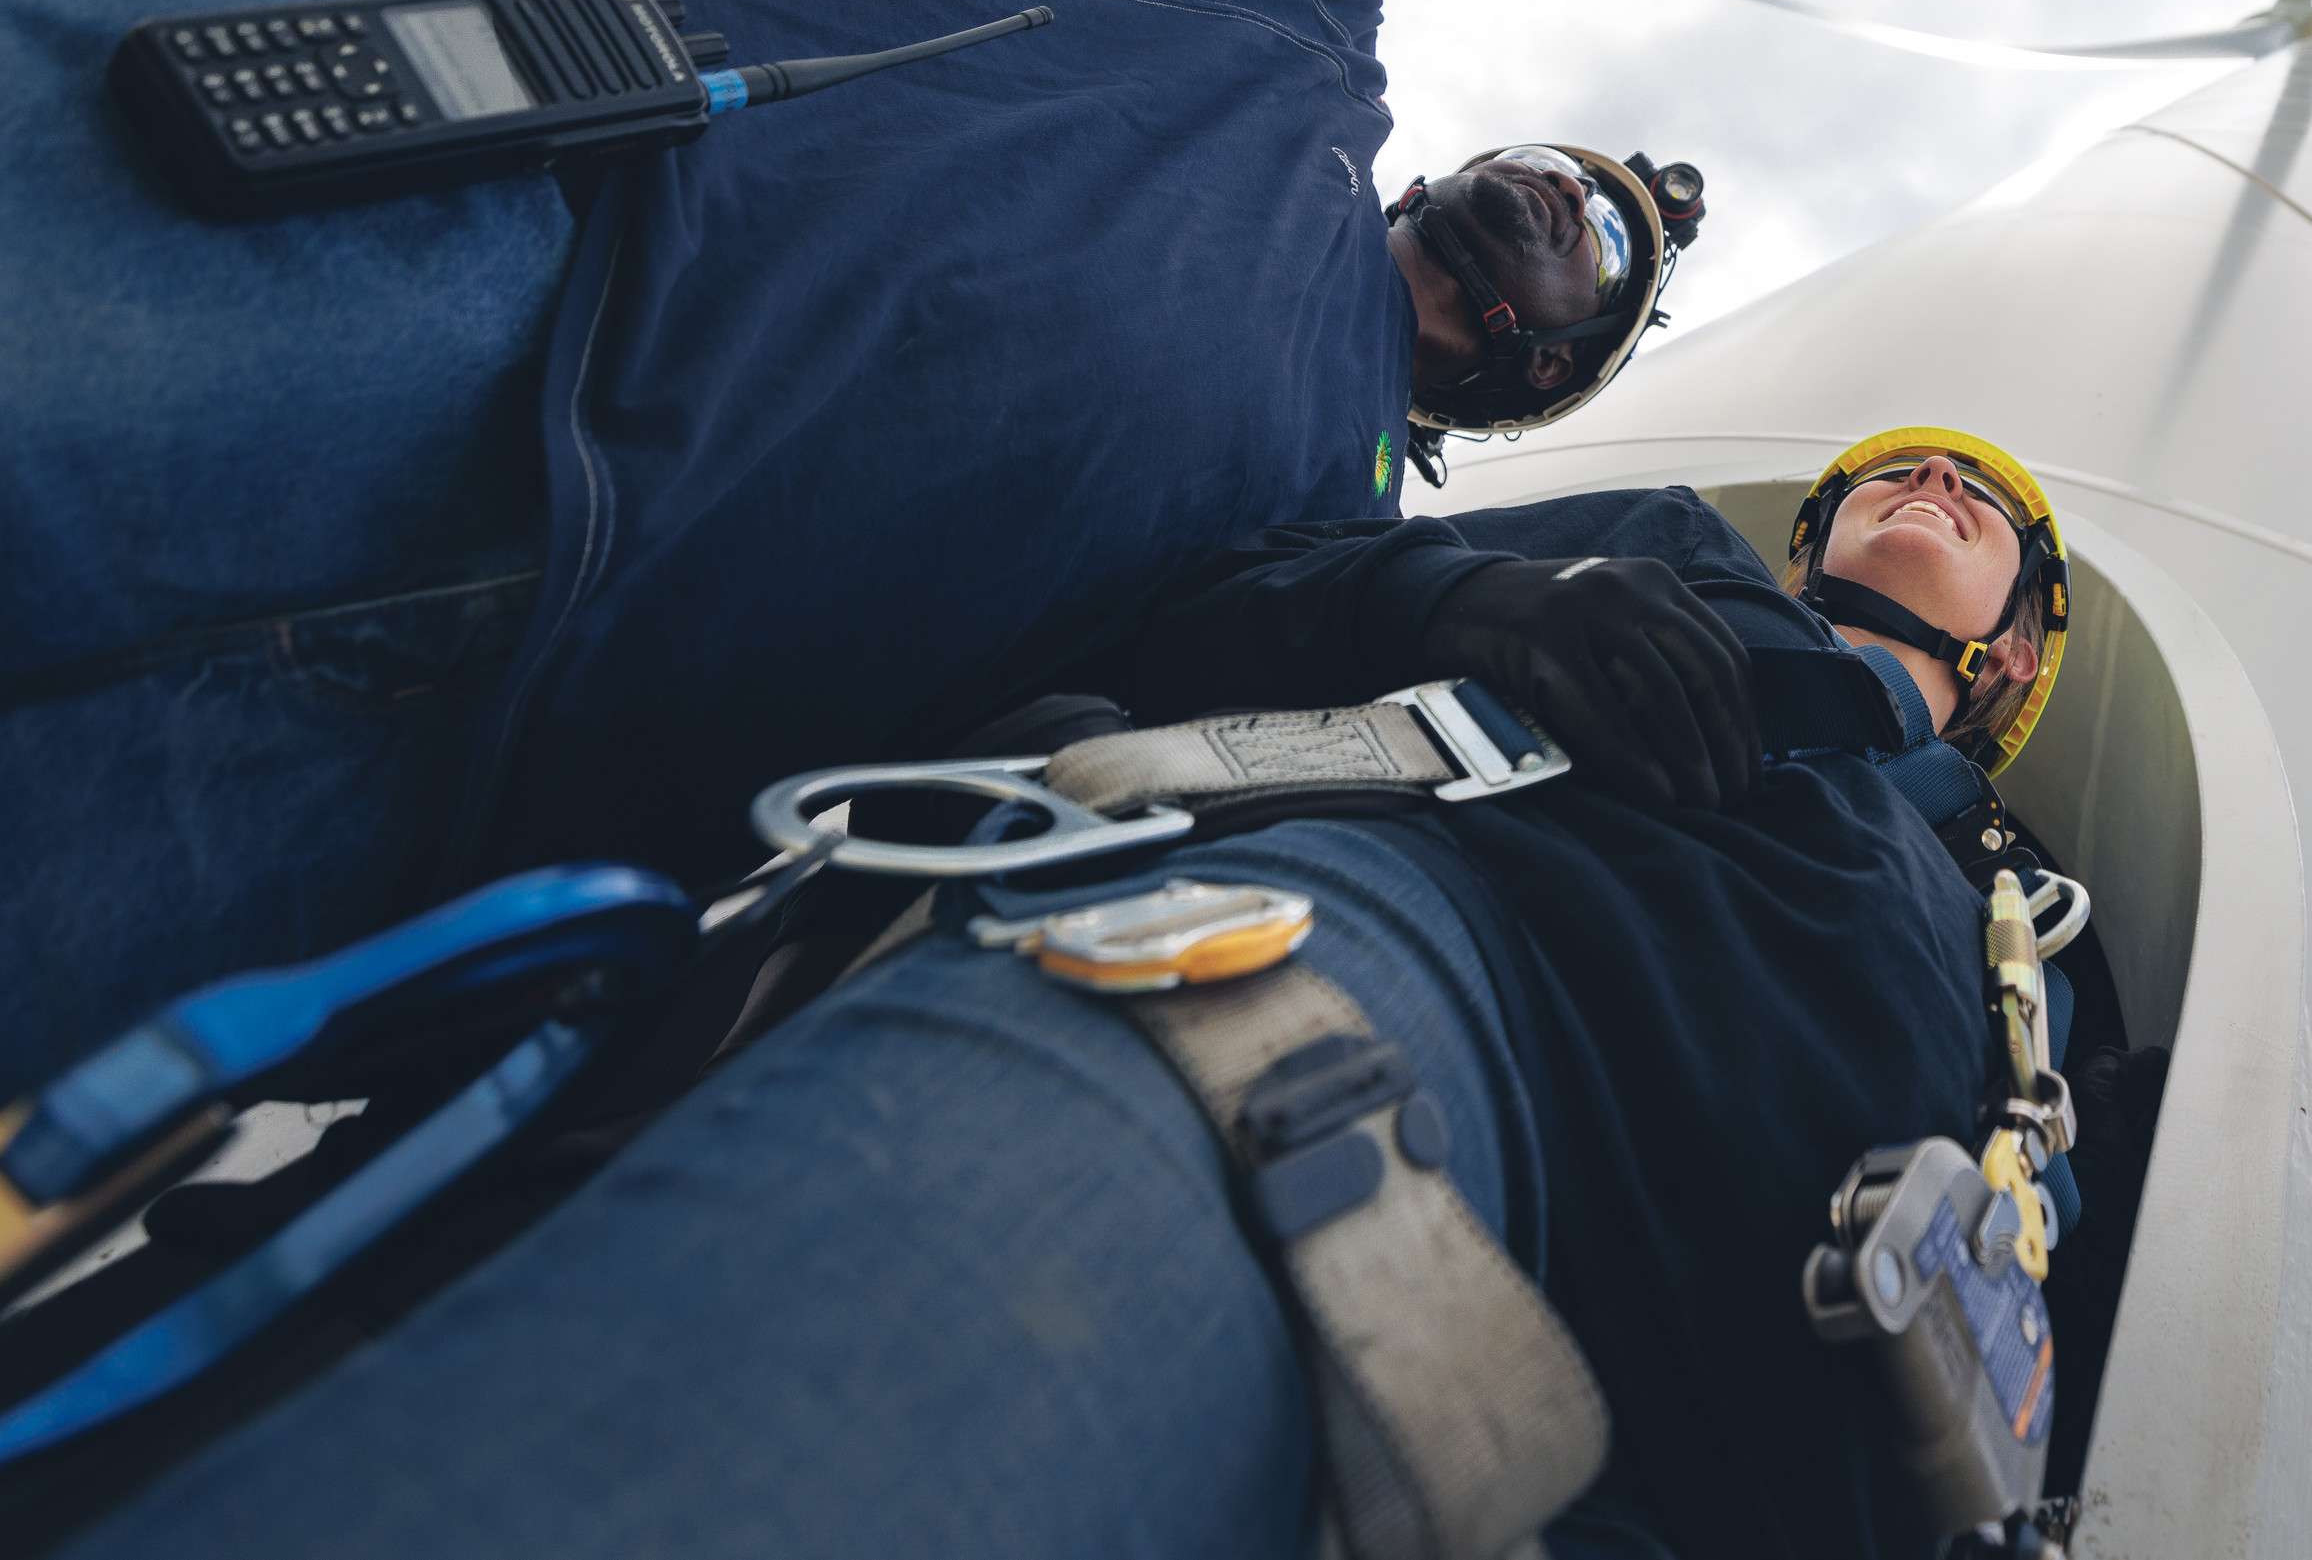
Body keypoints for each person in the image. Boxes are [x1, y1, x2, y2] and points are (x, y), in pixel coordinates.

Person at [0, 0, 2043, 1100]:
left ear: (1536, 366)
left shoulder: (1328, 533)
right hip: (444, 239)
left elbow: (1208, 702)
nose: (1562, 191)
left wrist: (1471, 606)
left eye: (1600, 246)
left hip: (450, 748)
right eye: (1566, 164)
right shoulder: (1295, 29)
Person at [31, 435, 2092, 1560]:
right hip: (1371, 1011)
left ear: (2013, 662)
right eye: (1882, 481)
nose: (1924, 492)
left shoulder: (2028, 939)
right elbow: (1193, 594)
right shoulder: (1654, 557)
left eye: (1980, 508)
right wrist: (1464, 593)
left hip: (1730, 1445)